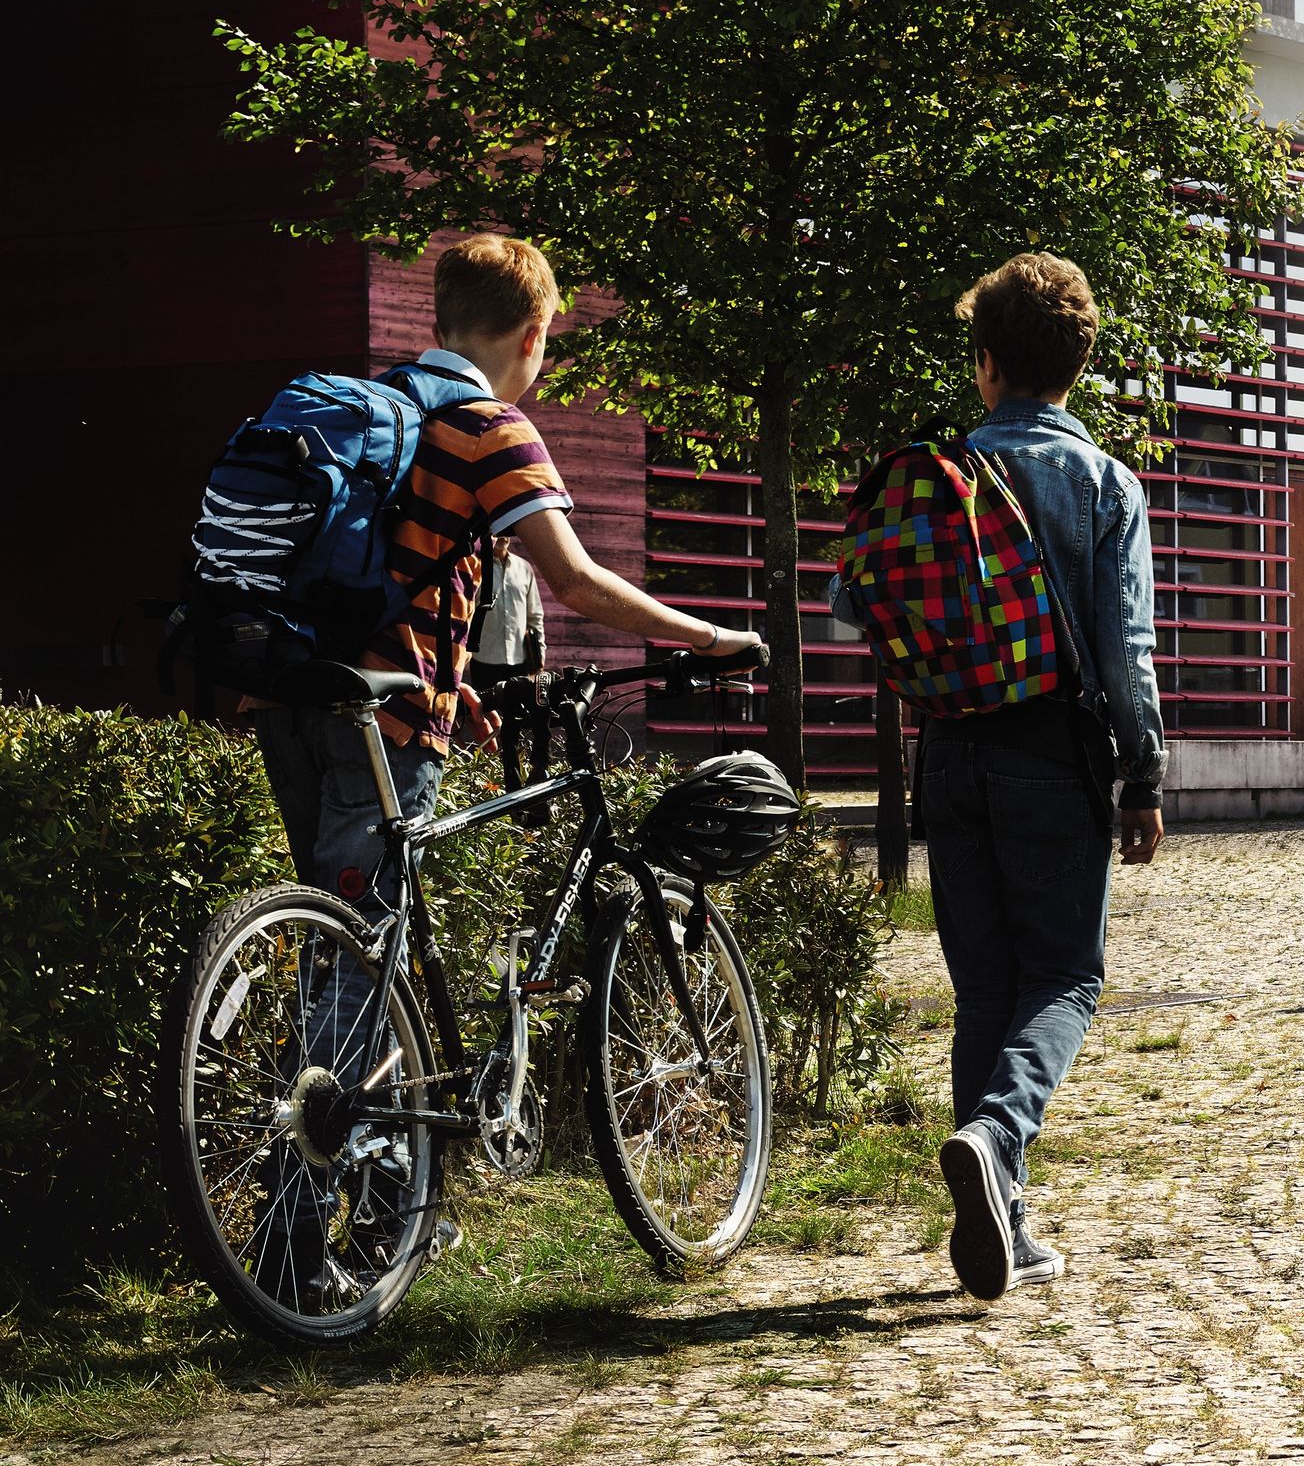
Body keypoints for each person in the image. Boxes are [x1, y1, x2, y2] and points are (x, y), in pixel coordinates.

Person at [836, 252, 1167, 1300]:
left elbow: (852, 613)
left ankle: (1005, 1222)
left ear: (984, 364)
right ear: (1080, 365)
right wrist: (1143, 775)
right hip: (1048, 752)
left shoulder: (938, 471)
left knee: (983, 987)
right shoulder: (1104, 482)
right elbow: (1126, 652)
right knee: (1067, 976)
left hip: (947, 751)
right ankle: (996, 1134)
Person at [256, 235, 754, 911]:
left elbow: (380, 561)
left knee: (331, 922)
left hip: (292, 689)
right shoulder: (491, 427)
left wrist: (449, 677)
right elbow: (574, 580)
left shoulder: (377, 410)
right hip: (388, 713)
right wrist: (706, 637)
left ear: (438, 327)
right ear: (533, 336)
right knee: (368, 941)